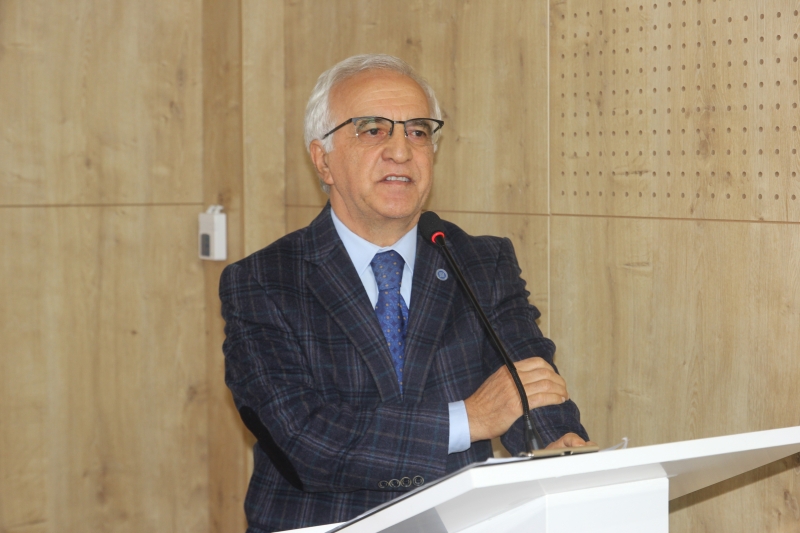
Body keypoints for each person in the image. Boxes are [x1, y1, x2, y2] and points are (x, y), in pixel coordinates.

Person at [220, 54, 594, 533]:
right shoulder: (262, 281)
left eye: (417, 131)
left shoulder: (480, 262)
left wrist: (558, 442)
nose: (400, 151)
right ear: (323, 160)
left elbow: (527, 380)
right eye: (373, 129)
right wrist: (468, 419)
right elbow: (306, 440)